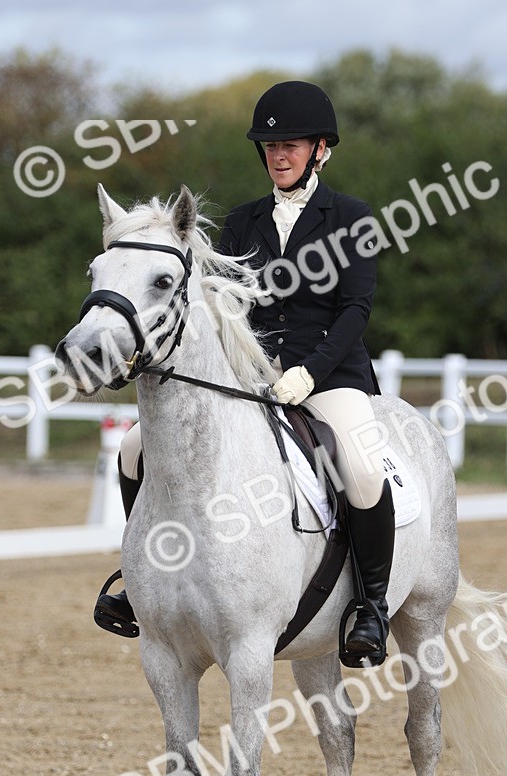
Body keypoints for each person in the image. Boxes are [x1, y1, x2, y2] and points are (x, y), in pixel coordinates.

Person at [95, 80, 394, 666]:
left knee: (359, 468)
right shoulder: (242, 222)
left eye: (292, 144)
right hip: (252, 379)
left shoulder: (350, 217)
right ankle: (144, 579)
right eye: (270, 145)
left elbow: (355, 310)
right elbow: (224, 309)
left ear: (320, 150)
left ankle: (371, 606)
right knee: (134, 450)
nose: (279, 155)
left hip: (329, 379)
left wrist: (309, 374)